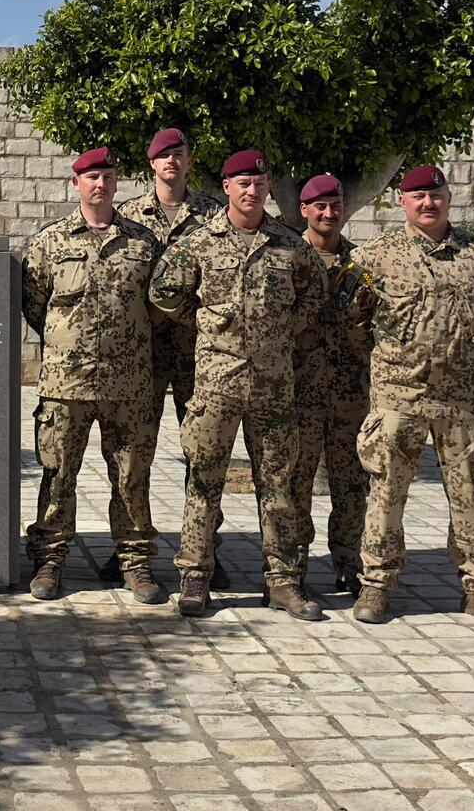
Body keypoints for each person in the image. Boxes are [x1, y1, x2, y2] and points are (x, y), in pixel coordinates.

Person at [149, 150, 327, 618]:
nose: (252, 190)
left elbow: (314, 296)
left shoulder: (290, 244)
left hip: (273, 386)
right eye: (242, 182)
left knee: (279, 485)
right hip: (215, 384)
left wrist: (283, 330)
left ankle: (284, 581)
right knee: (204, 483)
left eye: (259, 182)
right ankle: (194, 576)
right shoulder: (200, 241)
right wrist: (207, 325)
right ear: (226, 187)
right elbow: (163, 293)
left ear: (267, 188)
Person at [349, 165, 474, 627]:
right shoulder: (376, 256)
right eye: (418, 196)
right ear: (402, 201)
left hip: (462, 401)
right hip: (399, 397)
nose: (428, 203)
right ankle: (377, 586)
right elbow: (354, 319)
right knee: (385, 495)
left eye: (435, 194)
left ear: (448, 196)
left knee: (470, 495)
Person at [21, 147, 167, 604]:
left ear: (117, 181)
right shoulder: (50, 242)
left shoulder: (144, 243)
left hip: (129, 383)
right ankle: (50, 558)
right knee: (58, 473)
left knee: (131, 475)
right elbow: (35, 303)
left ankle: (135, 562)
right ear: (76, 184)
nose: (99, 184)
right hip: (67, 383)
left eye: (107, 175)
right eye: (91, 177)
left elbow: (159, 306)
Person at [112, 126, 227, 589]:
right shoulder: (127, 215)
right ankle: (131, 548)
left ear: (188, 160)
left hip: (199, 353)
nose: (172, 162)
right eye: (163, 156)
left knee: (203, 453)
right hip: (139, 356)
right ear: (152, 163)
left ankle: (203, 549)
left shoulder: (213, 215)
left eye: (179, 154)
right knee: (134, 455)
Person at [292, 174, 372, 596]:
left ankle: (349, 562)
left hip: (348, 394)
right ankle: (294, 566)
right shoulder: (286, 257)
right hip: (298, 393)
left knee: (351, 484)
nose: (328, 213)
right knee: (295, 482)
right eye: (319, 206)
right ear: (304, 210)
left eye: (335, 205)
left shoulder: (362, 264)